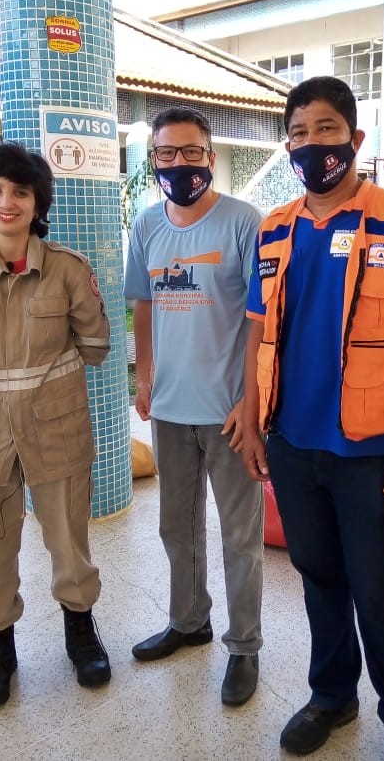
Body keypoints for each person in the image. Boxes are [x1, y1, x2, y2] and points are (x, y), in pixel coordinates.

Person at [241, 76, 384, 760]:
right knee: (319, 575)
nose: (310, 144)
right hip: (293, 443)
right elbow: (255, 332)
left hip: (372, 448)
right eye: (297, 133)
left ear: (355, 139)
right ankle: (332, 695)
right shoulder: (274, 228)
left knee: (379, 588)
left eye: (325, 129)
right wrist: (248, 414)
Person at [0, 141, 112, 710]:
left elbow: (97, 344)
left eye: (20, 191)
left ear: (37, 202)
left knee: (69, 541)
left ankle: (80, 630)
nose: (6, 202)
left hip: (56, 426)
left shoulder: (69, 270)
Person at [124, 107, 264, 707]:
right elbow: (146, 304)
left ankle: (244, 647)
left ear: (210, 156)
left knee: (239, 536)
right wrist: (145, 373)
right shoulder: (147, 225)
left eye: (190, 152)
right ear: (153, 161)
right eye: (166, 154)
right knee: (175, 527)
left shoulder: (243, 222)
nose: (179, 164)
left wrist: (252, 399)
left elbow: (262, 318)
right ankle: (189, 622)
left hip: (229, 410)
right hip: (172, 410)